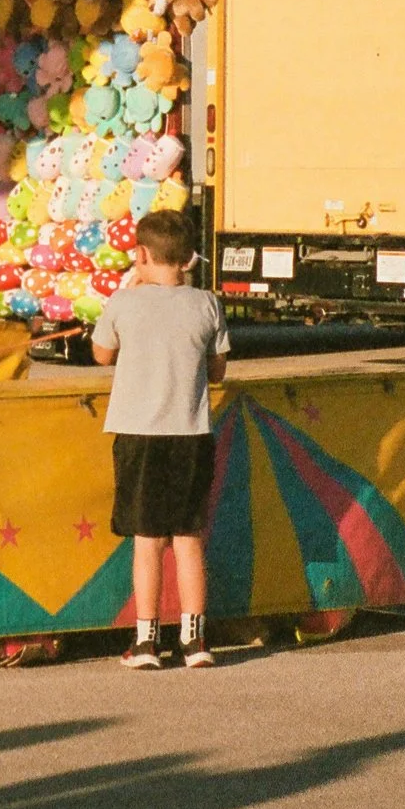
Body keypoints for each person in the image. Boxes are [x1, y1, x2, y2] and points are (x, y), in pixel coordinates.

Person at [91, 208, 231, 669]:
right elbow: (216, 369)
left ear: (142, 254)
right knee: (189, 537)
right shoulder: (208, 303)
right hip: (190, 432)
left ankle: (146, 641)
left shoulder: (124, 302)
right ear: (189, 258)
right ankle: (195, 640)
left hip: (138, 433)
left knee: (147, 539)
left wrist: (127, 291)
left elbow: (100, 354)